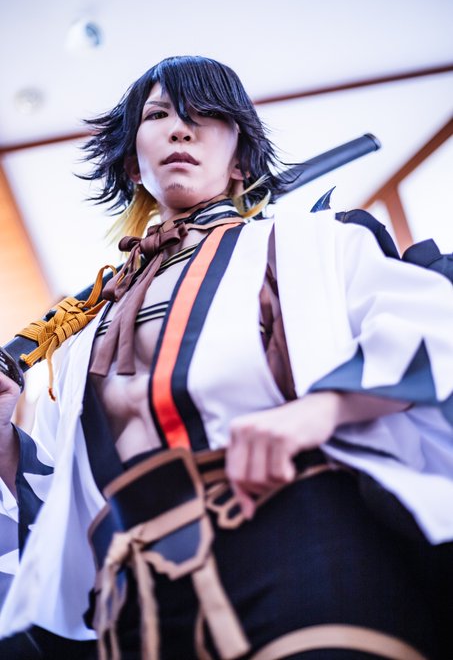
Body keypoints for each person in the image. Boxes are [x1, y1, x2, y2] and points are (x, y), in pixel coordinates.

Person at [1, 55, 453, 660]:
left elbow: (432, 323)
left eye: (205, 115)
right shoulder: (85, 338)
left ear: (241, 161)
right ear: (133, 162)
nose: (180, 130)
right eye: (159, 115)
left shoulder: (312, 244)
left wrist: (319, 410)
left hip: (301, 544)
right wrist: (5, 439)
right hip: (137, 606)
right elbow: (64, 504)